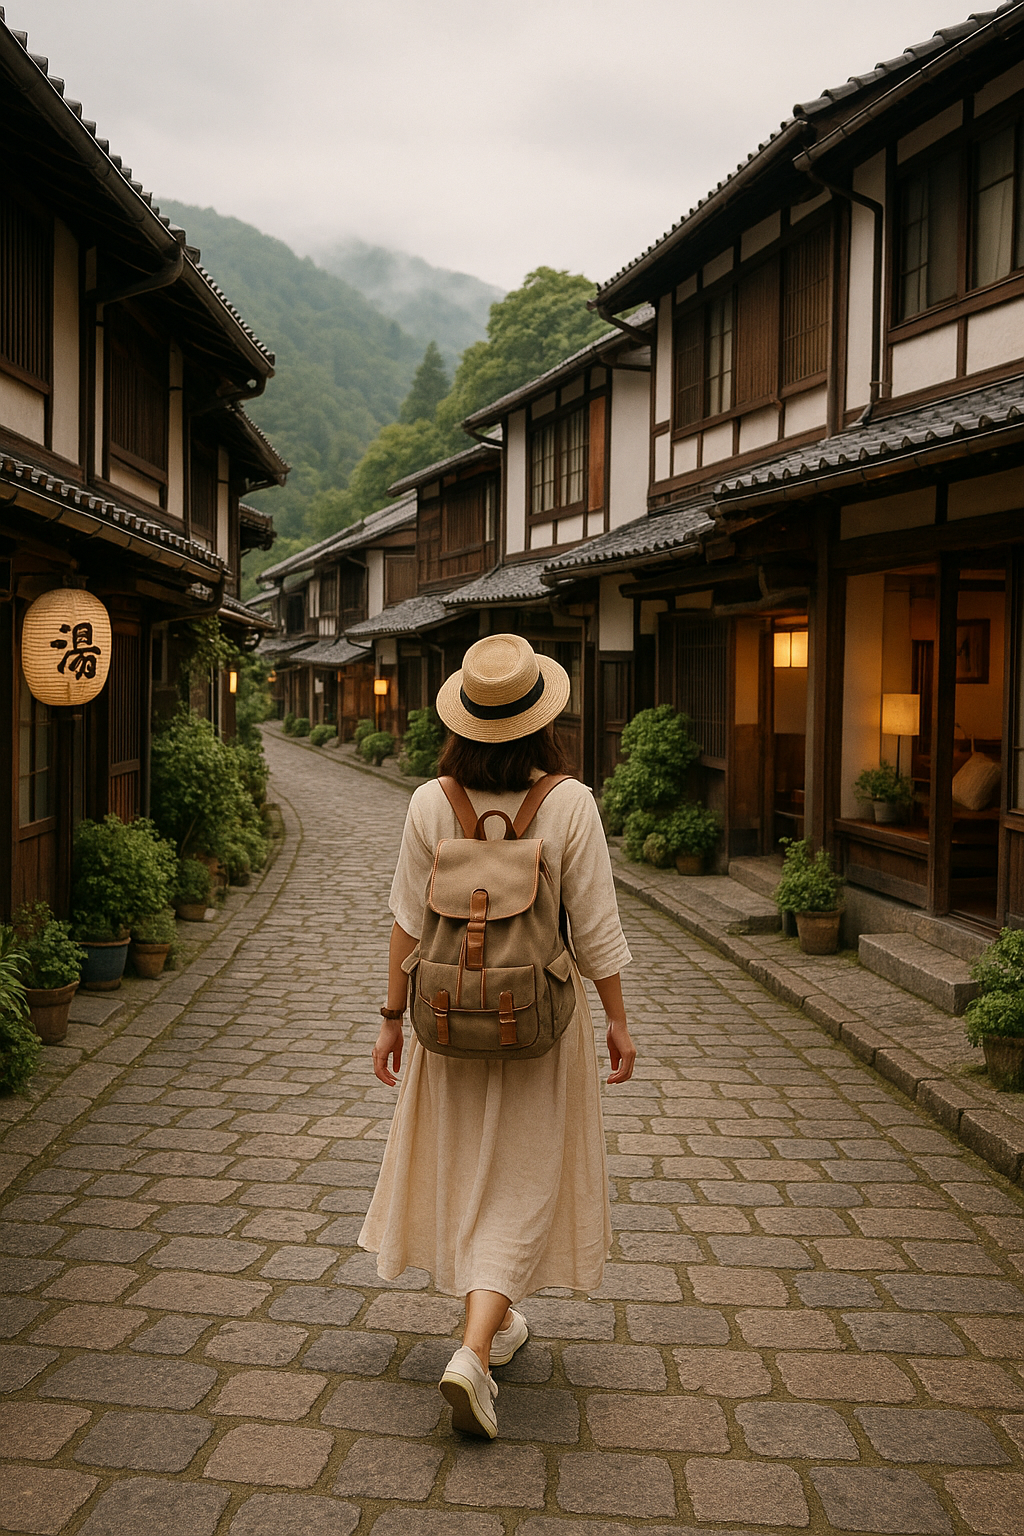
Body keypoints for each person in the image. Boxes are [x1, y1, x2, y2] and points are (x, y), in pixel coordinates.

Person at [360, 633, 636, 1439]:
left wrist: (390, 1020)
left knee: (468, 1166)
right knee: (526, 1172)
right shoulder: (569, 802)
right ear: (541, 720)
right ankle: (476, 1350)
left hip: (447, 1020)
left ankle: (494, 1324)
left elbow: (407, 922)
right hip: (541, 1022)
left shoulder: (429, 803)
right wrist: (617, 1020)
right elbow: (596, 928)